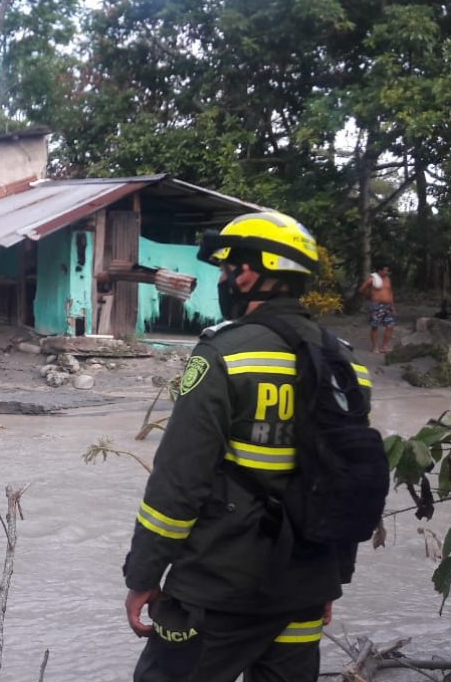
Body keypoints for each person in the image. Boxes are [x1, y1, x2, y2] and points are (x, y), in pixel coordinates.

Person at [123, 211, 370, 682]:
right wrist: (332, 578)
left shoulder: (224, 354)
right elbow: (350, 484)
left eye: (225, 268)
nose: (221, 279)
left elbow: (178, 484)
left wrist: (143, 575)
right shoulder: (347, 365)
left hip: (217, 587)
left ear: (250, 273)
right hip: (305, 587)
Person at [360, 264, 395, 353]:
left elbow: (390, 292)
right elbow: (362, 289)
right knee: (375, 326)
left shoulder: (387, 279)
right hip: (377, 305)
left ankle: (384, 346)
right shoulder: (372, 279)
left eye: (387, 271)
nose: (387, 272)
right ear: (380, 271)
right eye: (385, 270)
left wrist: (392, 306)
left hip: (387, 305)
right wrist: (369, 294)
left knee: (390, 325)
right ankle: (375, 347)